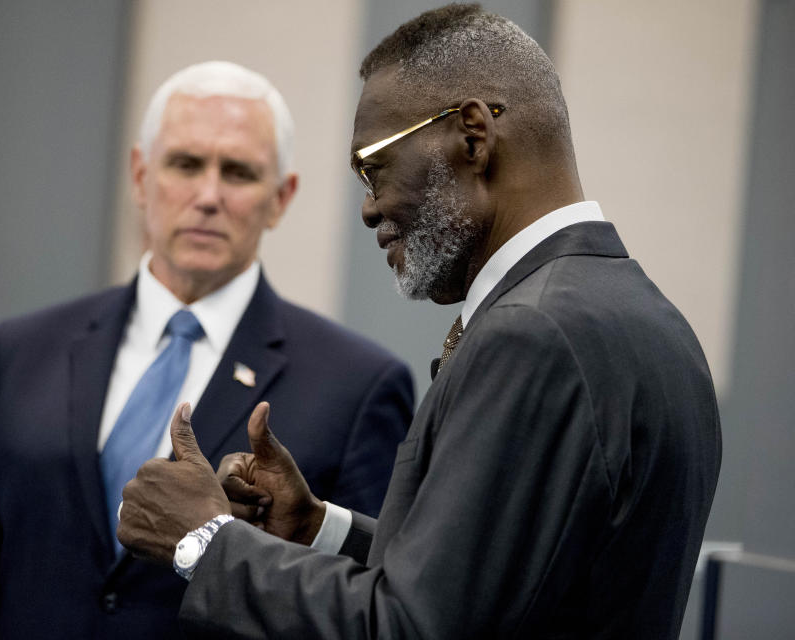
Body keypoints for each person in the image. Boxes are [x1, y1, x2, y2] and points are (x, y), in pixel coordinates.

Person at [115, 6, 722, 639]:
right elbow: (491, 589)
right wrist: (317, 528)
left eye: (372, 167)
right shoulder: (648, 318)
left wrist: (206, 542)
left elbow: (410, 627)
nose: (369, 207)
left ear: (472, 135)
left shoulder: (533, 336)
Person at [0, 61, 413, 639]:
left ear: (280, 198)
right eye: (186, 164)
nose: (208, 195)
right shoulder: (21, 351)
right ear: (141, 176)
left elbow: (361, 610)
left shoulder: (357, 384)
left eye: (239, 172)